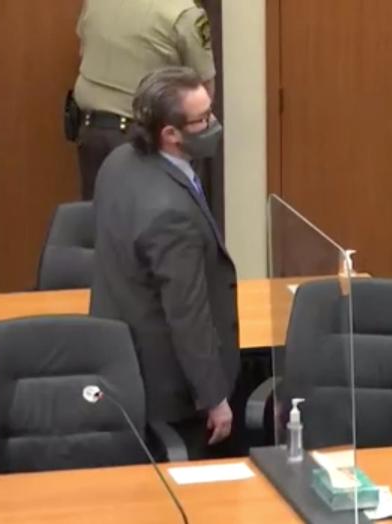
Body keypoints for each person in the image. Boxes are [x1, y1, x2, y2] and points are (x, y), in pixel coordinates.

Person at [90, 67, 238, 459]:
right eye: (203, 119)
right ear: (170, 134)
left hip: (122, 365)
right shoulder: (170, 213)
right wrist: (214, 397)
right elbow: (187, 313)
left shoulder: (119, 161)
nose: (214, 125)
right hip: (172, 392)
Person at [72, 0, 215, 200]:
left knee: (102, 223)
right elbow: (202, 92)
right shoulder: (183, 13)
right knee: (162, 222)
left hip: (93, 133)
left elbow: (83, 52)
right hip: (146, 141)